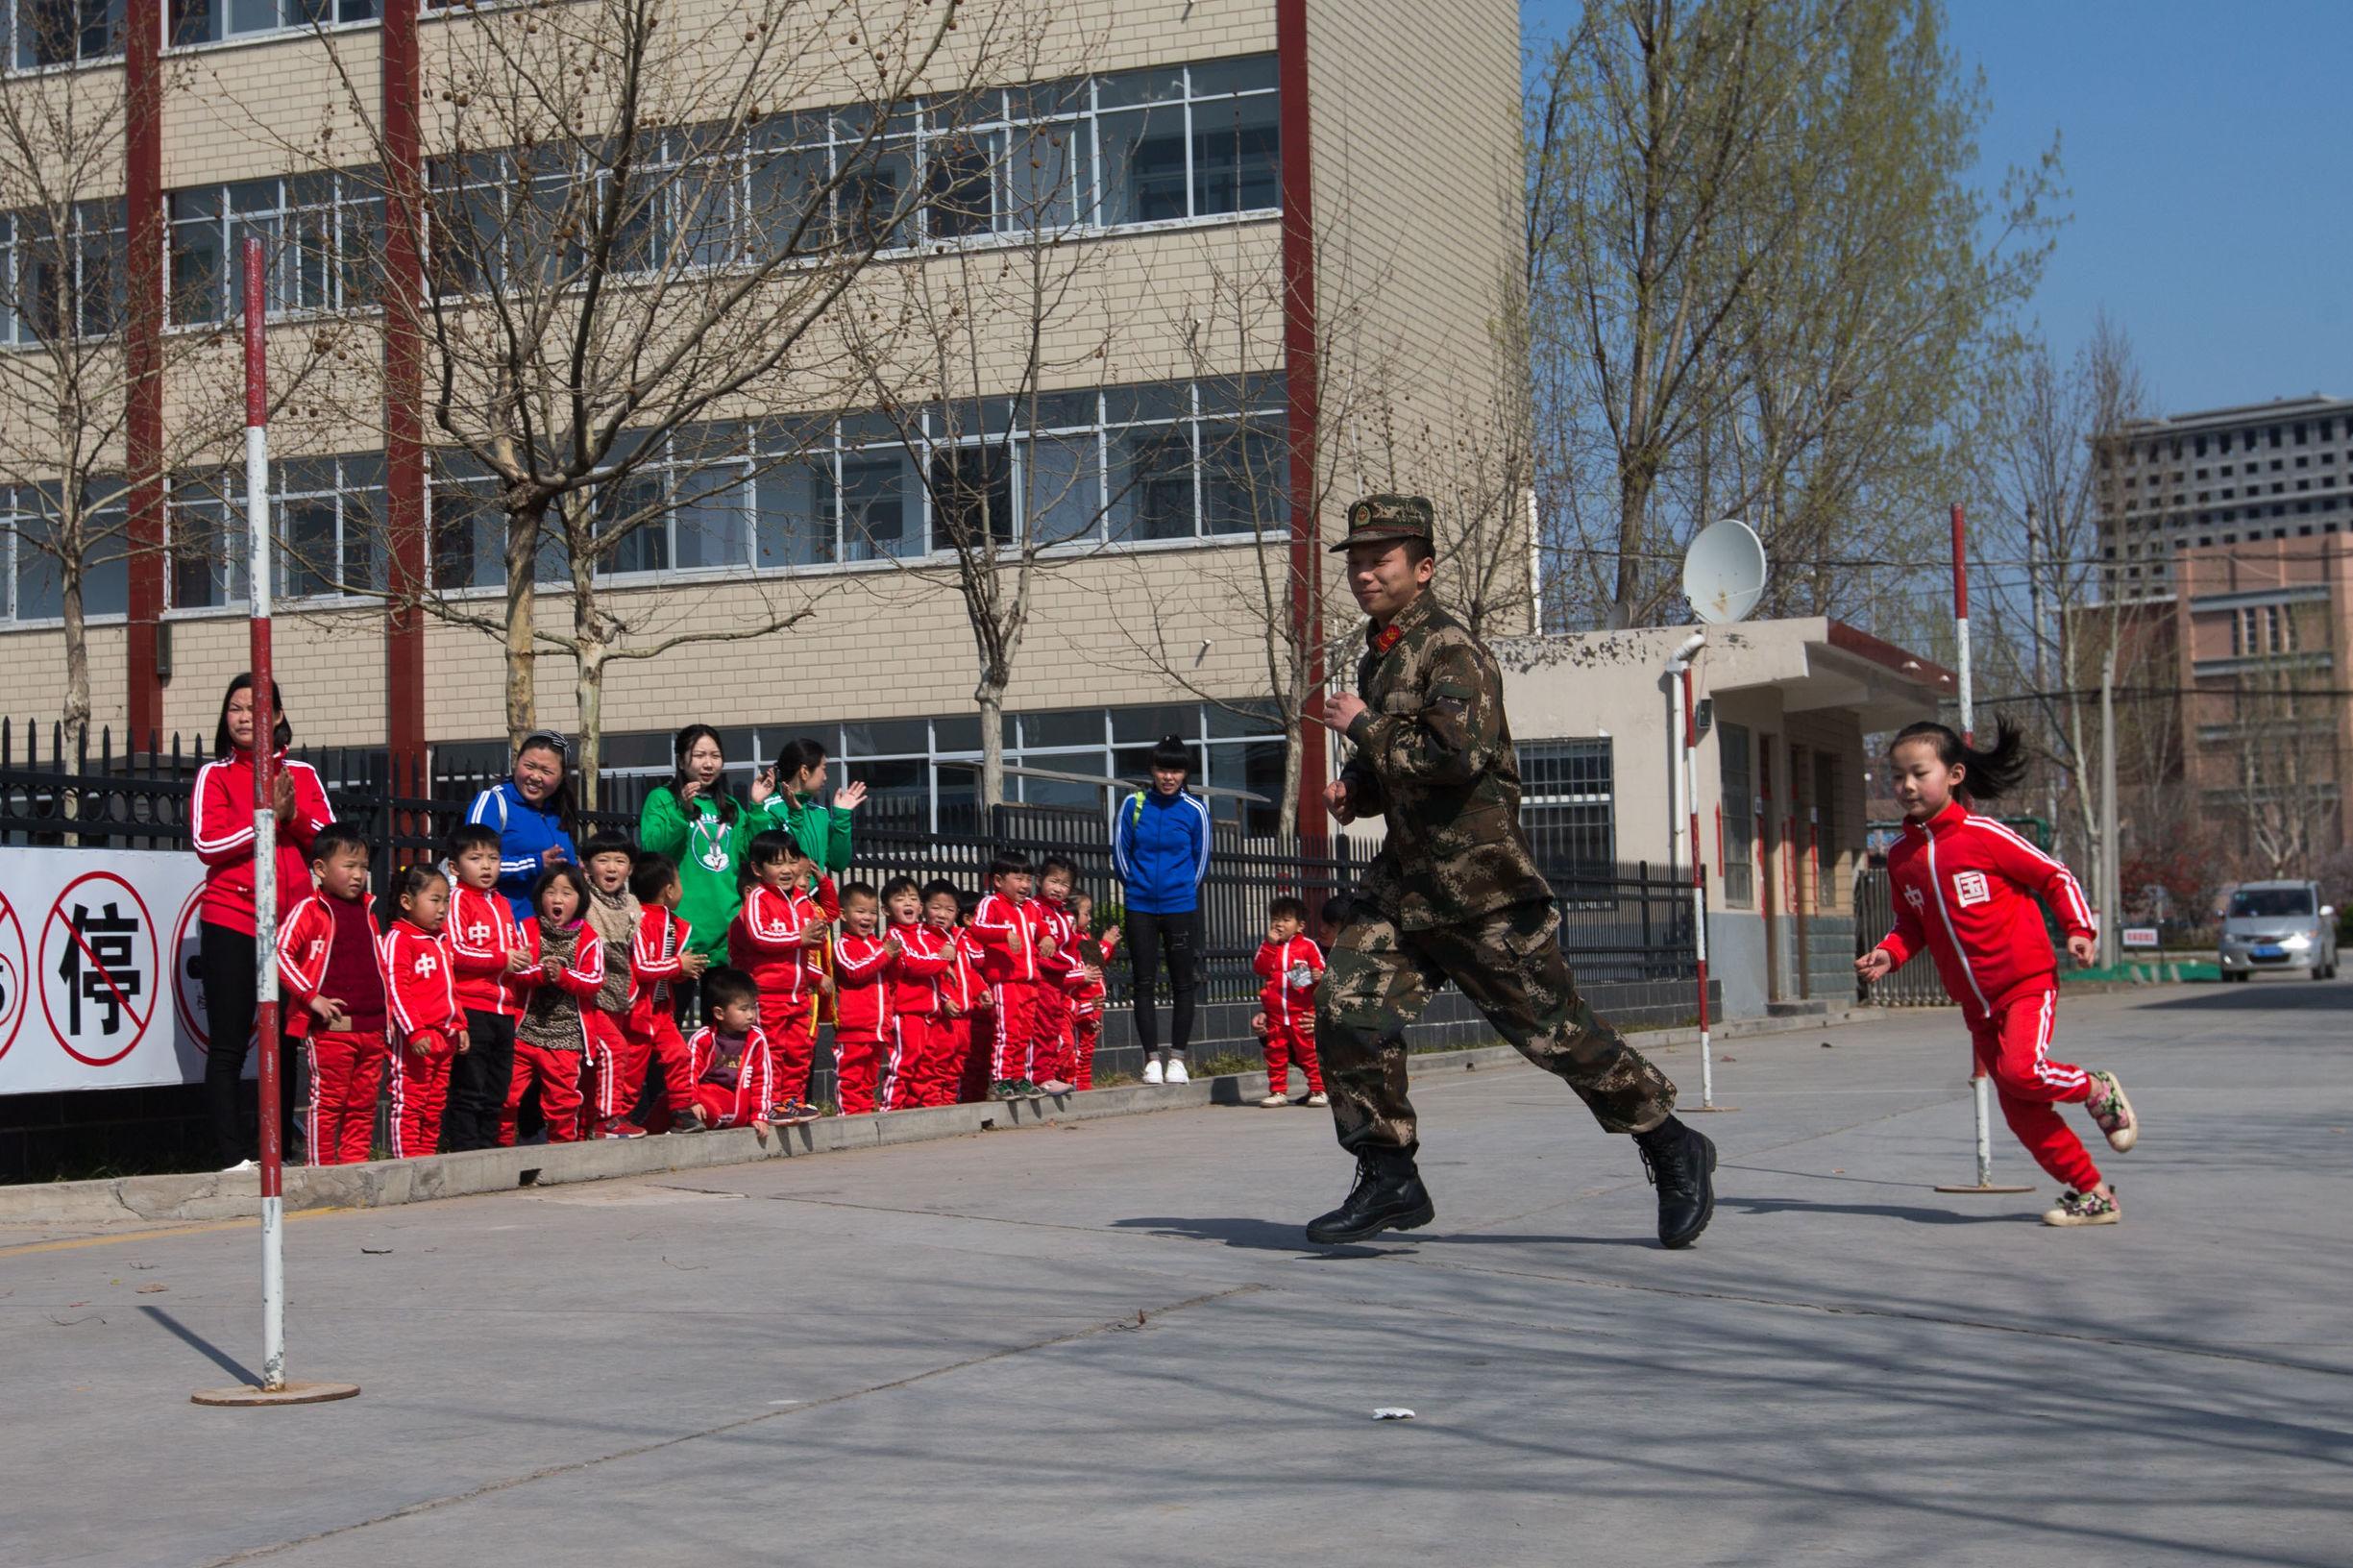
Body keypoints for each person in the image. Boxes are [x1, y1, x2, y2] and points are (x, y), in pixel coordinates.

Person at [1306, 494, 1713, 1249]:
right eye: (1356, 560)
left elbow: (1455, 756)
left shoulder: (1451, 650)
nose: (1363, 572)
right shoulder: (1382, 653)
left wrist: (1361, 725)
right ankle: (1390, 1174)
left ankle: (1668, 1140)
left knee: (1555, 1036)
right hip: (1404, 885)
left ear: (1421, 569)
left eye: (1379, 559)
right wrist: (1355, 787)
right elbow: (1392, 762)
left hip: (1477, 888)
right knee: (1344, 1009)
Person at [1856, 721, 2140, 1227]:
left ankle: (2095, 1088)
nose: (1906, 787)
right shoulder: (1901, 858)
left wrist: (2079, 927)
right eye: (1896, 777)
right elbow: (1910, 923)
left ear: (1954, 773)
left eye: (1919, 773)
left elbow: (2055, 875)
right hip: (1976, 1005)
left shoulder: (1984, 836)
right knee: (2022, 1111)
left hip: (2026, 983)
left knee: (2021, 1071)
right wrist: (1890, 953)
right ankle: (2094, 1195)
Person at [190, 673, 335, 1170]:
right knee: (229, 1043)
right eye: (235, 708)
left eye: (256, 707)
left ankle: (278, 1151)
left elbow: (328, 841)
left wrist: (288, 815)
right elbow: (206, 845)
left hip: (292, 927)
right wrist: (264, 818)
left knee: (285, 1041)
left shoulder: (302, 773)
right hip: (231, 918)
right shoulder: (215, 775)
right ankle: (231, 1157)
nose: (246, 716)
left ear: (276, 714)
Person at [276, 825, 387, 1166]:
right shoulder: (309, 910)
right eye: (349, 866)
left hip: (373, 1026)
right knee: (328, 1103)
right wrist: (311, 997)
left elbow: (380, 966)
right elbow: (279, 953)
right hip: (331, 1029)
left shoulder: (368, 911)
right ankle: (321, 1171)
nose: (358, 875)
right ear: (320, 869)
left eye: (363, 867)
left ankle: (354, 1167)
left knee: (363, 1104)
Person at [637, 724, 757, 1020]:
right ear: (681, 761)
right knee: (669, 1023)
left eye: (715, 755)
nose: (708, 763)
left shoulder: (730, 807)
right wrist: (682, 811)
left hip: (725, 931)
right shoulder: (661, 799)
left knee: (723, 1027)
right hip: (681, 933)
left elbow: (751, 855)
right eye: (699, 755)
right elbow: (654, 849)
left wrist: (758, 809)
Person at [1112, 735, 1211, 1085]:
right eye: (1162, 769)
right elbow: (1121, 854)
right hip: (1139, 904)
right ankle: (1152, 1059)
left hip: (1180, 906)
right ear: (1152, 770)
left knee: (1183, 983)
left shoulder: (1195, 810)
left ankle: (1178, 1059)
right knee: (1143, 982)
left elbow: (1201, 861)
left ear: (1185, 773)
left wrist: (1182, 889)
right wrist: (1135, 886)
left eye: (1176, 770)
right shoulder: (1132, 804)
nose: (1168, 777)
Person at [442, 823, 532, 1152]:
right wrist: (501, 960)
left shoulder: (504, 903)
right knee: (470, 1086)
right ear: (454, 867)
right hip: (472, 1007)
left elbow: (516, 947)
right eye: (475, 858)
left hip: (504, 1009)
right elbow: (454, 951)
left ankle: (488, 1147)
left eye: (493, 858)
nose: (486, 866)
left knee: (497, 1087)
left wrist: (527, 962)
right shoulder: (457, 901)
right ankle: (465, 1150)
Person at [728, 832, 828, 1123]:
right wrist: (800, 937)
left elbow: (810, 944)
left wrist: (815, 966)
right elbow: (759, 936)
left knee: (799, 1050)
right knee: (772, 1050)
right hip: (768, 994)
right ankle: (769, 1103)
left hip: (799, 994)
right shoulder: (758, 898)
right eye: (776, 864)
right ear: (758, 870)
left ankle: (792, 1100)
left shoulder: (802, 900)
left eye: (791, 862)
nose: (786, 870)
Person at [503, 863, 603, 1146]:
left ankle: (562, 1153)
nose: (557, 899)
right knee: (507, 1095)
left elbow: (594, 980)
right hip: (524, 1032)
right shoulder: (527, 929)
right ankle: (500, 1149)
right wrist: (538, 974)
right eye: (551, 892)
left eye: (566, 892)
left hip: (566, 1037)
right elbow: (515, 971)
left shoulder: (589, 939)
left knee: (562, 1101)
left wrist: (562, 976)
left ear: (580, 899)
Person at [579, 831, 650, 1139]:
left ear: (630, 869)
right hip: (590, 994)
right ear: (586, 866)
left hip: (620, 994)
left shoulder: (633, 903)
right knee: (613, 1050)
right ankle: (607, 1119)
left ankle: (589, 1123)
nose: (611, 868)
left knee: (606, 1059)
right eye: (602, 860)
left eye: (619, 861)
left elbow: (637, 950)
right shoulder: (582, 898)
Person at [627, 853, 705, 1133]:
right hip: (638, 1010)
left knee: (679, 1055)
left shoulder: (672, 923)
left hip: (661, 1009)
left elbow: (663, 965)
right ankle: (617, 1118)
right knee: (633, 1067)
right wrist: (677, 966)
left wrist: (683, 970)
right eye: (679, 880)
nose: (682, 888)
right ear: (668, 890)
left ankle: (682, 1111)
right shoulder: (640, 919)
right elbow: (641, 967)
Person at [467, 730, 578, 922]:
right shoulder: (493, 802)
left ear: (561, 777)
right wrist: (534, 863)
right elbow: (472, 865)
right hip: (502, 931)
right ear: (516, 764)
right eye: (529, 766)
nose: (535, 776)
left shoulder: (558, 811)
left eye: (546, 771)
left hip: (551, 933)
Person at [972, 851, 1054, 1099]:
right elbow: (978, 928)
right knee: (1007, 1031)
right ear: (998, 881)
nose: (1024, 886)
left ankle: (1018, 1077)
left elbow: (1042, 929)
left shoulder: (1031, 908)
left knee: (1024, 1033)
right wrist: (1003, 933)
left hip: (1029, 982)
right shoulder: (992, 903)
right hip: (1006, 980)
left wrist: (1047, 937)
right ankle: (1000, 1079)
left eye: (1028, 880)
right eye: (1018, 879)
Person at [880, 876, 950, 1109]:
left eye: (913, 898)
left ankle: (923, 1107)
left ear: (920, 906)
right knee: (904, 1063)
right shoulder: (894, 936)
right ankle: (891, 1108)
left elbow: (945, 956)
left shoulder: (929, 935)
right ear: (887, 909)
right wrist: (942, 962)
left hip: (931, 1013)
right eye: (900, 899)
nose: (908, 903)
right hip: (906, 1012)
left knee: (928, 1064)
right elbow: (911, 963)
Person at [830, 883, 900, 1115]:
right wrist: (884, 955)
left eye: (871, 913)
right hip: (854, 1030)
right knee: (851, 1079)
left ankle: (865, 1115)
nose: (867, 918)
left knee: (869, 1080)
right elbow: (854, 971)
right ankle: (850, 1118)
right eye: (860, 912)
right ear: (843, 914)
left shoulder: (880, 946)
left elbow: (891, 980)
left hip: (877, 1029)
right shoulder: (843, 946)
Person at [1251, 894, 1327, 1109]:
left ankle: (1318, 1088)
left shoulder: (1308, 946)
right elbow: (1260, 968)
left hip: (1301, 1013)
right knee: (1275, 1053)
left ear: (1300, 925)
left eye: (1286, 919)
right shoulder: (1268, 946)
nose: (1279, 924)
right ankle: (1277, 1091)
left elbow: (1321, 970)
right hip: (1275, 1015)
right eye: (1275, 918)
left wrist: (1318, 974)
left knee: (1308, 1053)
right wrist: (1270, 944)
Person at [677, 968, 774, 1133]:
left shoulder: (756, 1039)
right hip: (700, 1095)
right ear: (719, 1013)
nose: (751, 1015)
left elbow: (762, 1080)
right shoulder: (703, 1038)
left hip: (733, 1101)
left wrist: (759, 1115)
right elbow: (688, 1072)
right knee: (671, 1100)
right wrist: (691, 1101)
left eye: (753, 1008)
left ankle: (682, 1121)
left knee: (707, 1108)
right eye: (744, 1009)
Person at [756, 736, 865, 880]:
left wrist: (842, 818)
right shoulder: (769, 810)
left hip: (814, 901)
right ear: (804, 771)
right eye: (823, 769)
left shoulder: (820, 813)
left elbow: (838, 863)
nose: (825, 777)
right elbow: (774, 861)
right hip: (783, 900)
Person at [1031, 856, 1084, 1095]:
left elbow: (1071, 948)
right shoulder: (1033, 909)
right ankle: (1039, 1076)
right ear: (1040, 880)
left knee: (1053, 1028)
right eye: (1053, 881)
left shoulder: (1065, 915)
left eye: (1064, 884)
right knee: (1040, 1028)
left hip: (1058, 981)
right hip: (1040, 977)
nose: (1058, 888)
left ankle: (1048, 1074)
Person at [1066, 892, 1114, 1091]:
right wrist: (1107, 943)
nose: (1090, 918)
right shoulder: (1073, 939)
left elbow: (1099, 963)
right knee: (1078, 1051)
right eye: (1086, 913)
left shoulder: (1085, 936)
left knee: (1087, 1051)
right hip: (1083, 1004)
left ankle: (1085, 1086)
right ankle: (1076, 1086)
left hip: (1094, 1006)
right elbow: (1092, 963)